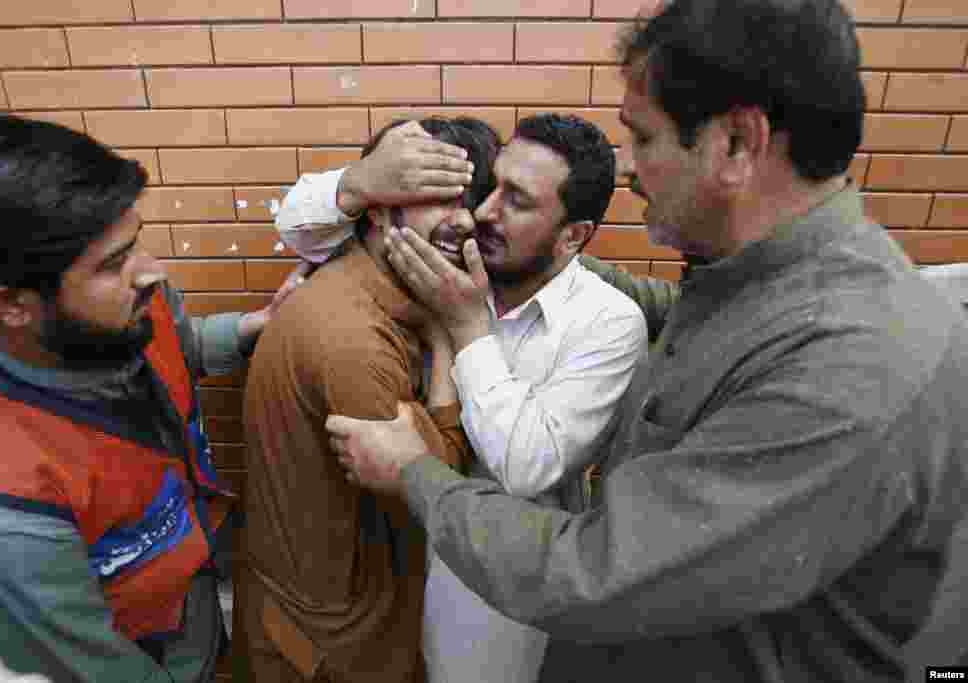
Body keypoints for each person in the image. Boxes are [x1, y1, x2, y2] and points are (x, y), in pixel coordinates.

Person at [326, 1, 968, 680]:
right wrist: (363, 192)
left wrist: (412, 474)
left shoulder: (848, 367)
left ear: (737, 145)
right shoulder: (739, 280)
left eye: (644, 137)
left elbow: (591, 571)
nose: (629, 172)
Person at [277, 113, 649, 682]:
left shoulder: (605, 323)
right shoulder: (446, 255)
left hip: (491, 592)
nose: (483, 212)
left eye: (516, 201)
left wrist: (468, 329)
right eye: (491, 186)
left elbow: (528, 466)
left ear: (573, 235)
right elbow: (300, 229)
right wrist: (358, 183)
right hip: (390, 564)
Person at [0, 115, 293, 683]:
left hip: (186, 599)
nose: (152, 272)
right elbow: (93, 667)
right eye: (111, 263)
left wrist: (250, 329)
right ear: (9, 304)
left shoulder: (122, 308)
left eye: (134, 243)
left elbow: (173, 348)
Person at [239, 117, 497, 683]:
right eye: (437, 196)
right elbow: (431, 481)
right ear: (377, 210)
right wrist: (444, 336)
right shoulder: (355, 340)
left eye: (472, 198)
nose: (464, 217)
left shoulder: (373, 287)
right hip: (337, 638)